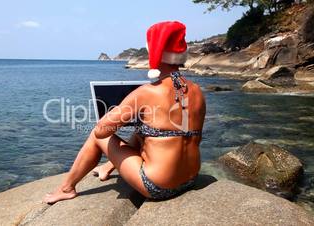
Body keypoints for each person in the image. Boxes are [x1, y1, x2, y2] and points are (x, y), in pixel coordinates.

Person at [43, 21, 206, 203]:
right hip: (191, 178)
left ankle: (66, 188)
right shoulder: (197, 90)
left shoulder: (147, 92)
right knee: (146, 131)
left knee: (97, 136)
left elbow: (101, 130)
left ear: (155, 52)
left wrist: (117, 111)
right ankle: (107, 167)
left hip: (159, 187)